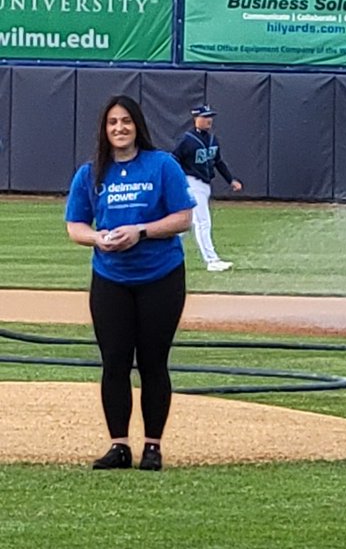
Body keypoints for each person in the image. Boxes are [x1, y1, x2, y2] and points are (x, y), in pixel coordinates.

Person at [65, 95, 195, 471]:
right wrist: (98, 238)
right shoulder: (90, 174)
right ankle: (119, 446)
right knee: (114, 363)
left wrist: (141, 230)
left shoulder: (161, 165)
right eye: (112, 123)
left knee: (153, 362)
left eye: (126, 121)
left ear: (137, 126)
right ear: (104, 131)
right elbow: (76, 226)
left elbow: (183, 218)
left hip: (161, 275)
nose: (119, 128)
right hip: (111, 278)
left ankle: (152, 447)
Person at [172, 104, 242, 272]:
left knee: (187, 223)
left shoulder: (212, 139)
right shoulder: (187, 140)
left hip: (204, 184)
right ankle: (212, 260)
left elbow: (218, 162)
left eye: (210, 116)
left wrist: (230, 180)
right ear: (196, 118)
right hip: (192, 183)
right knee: (203, 222)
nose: (209, 120)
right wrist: (179, 181)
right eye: (205, 117)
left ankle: (164, 252)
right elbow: (173, 159)